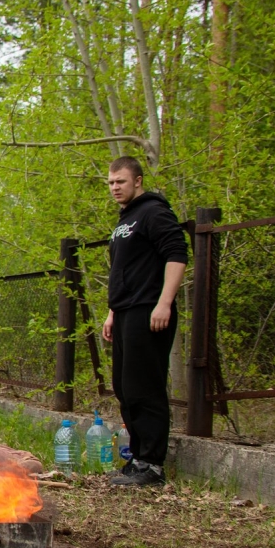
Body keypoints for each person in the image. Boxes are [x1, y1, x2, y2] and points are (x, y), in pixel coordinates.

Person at [102, 156, 188, 487]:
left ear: (137, 181)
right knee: (125, 388)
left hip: (149, 311)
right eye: (110, 183)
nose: (114, 188)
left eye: (120, 182)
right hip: (125, 312)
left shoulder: (154, 212)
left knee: (145, 387)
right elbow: (123, 272)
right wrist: (112, 312)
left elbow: (177, 255)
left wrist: (164, 303)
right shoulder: (126, 220)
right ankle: (138, 459)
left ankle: (152, 465)